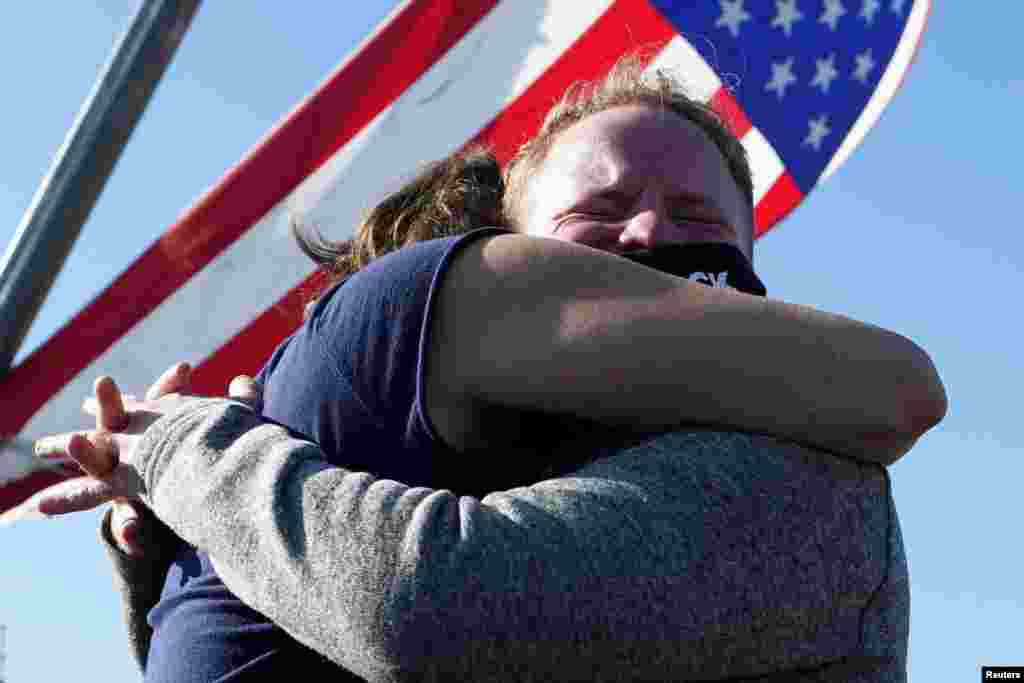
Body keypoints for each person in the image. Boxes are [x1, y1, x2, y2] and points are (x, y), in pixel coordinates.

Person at [23, 57, 945, 682]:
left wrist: (194, 452)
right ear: (506, 257)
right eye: (603, 208)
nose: (651, 233)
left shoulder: (806, 488)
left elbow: (425, 605)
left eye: (699, 220)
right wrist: (169, 555)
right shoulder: (428, 460)